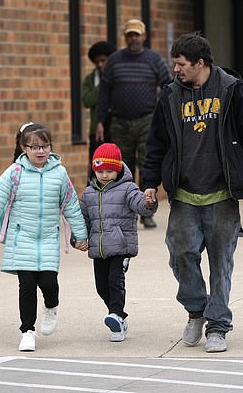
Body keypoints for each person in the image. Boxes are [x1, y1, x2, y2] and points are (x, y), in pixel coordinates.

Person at [143, 32, 243, 353]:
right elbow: (156, 143)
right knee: (180, 256)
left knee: (221, 262)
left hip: (222, 194)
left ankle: (218, 325)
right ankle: (197, 309)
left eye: (181, 64)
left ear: (200, 63)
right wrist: (150, 182)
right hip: (184, 194)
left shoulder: (231, 89)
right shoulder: (170, 95)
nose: (176, 69)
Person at [0, 123, 88, 352]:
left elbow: (71, 206)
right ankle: (27, 331)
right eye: (33, 146)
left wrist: (80, 235)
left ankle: (51, 307)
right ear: (23, 148)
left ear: (51, 147)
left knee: (48, 283)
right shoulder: (14, 173)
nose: (40, 151)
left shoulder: (60, 173)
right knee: (26, 285)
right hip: (21, 238)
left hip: (47, 239)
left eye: (44, 146)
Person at [95, 18, 171, 229]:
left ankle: (147, 210)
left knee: (148, 166)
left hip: (148, 120)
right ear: (125, 36)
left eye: (137, 34)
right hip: (120, 121)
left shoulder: (154, 60)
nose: (133, 38)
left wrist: (166, 118)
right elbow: (104, 93)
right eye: (130, 34)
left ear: (144, 36)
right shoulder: (114, 61)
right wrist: (100, 121)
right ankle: (125, 211)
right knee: (121, 168)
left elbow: (168, 89)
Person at [79, 143, 157, 342]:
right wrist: (78, 237)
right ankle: (118, 317)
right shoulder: (89, 193)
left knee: (115, 280)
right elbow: (83, 219)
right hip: (99, 248)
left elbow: (141, 205)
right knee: (101, 286)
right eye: (100, 171)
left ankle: (116, 315)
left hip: (121, 247)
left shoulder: (128, 188)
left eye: (109, 171)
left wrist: (148, 203)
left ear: (118, 169)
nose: (104, 175)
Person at [82, 41, 117, 167]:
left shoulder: (117, 76)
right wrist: (103, 86)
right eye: (97, 62)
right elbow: (86, 100)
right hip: (97, 129)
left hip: (116, 126)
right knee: (96, 165)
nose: (100, 64)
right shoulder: (90, 79)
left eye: (103, 60)